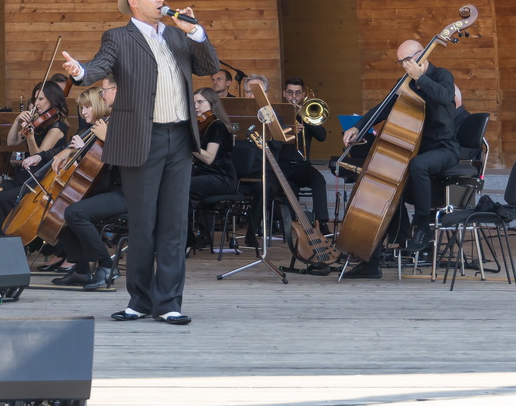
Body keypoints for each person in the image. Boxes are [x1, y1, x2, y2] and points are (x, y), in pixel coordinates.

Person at [62, 0, 218, 325]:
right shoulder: (118, 37)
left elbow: (208, 66)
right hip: (140, 139)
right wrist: (78, 72)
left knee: (174, 223)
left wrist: (194, 31)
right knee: (143, 221)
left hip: (178, 138)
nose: (160, 0)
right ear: (133, 2)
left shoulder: (179, 37)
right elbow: (97, 67)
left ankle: (169, 303)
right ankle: (139, 300)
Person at [341, 39, 459, 277]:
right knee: (387, 193)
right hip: (416, 149)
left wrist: (421, 78)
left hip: (444, 148)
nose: (405, 65)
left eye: (408, 59)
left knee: (418, 165)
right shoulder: (405, 82)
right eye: (401, 61)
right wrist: (358, 127)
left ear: (423, 54)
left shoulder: (441, 75)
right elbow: (384, 107)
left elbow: (446, 98)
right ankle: (371, 261)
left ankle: (422, 226)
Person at [49, 81, 126, 290]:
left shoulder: (119, 126)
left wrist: (104, 140)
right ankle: (82, 269)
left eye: (104, 93)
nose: (83, 112)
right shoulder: (99, 127)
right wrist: (71, 152)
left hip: (125, 192)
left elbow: (123, 162)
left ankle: (107, 265)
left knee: (75, 212)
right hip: (106, 188)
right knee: (63, 206)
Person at [0, 81, 70, 238]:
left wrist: (30, 137)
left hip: (39, 181)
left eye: (41, 99)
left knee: (5, 199)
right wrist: (17, 121)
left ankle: (5, 245)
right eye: (35, 99)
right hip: (24, 178)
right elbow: (11, 142)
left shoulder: (57, 127)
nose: (35, 103)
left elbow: (38, 159)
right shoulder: (40, 122)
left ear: (52, 99)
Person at [243, 75, 331, 237]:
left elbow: (322, 136)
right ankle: (288, 225)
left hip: (301, 166)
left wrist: (307, 120)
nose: (294, 97)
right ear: (284, 94)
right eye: (290, 93)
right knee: (282, 188)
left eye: (298, 93)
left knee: (319, 180)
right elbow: (273, 142)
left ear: (303, 95)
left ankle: (322, 223)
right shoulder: (277, 113)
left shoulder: (307, 114)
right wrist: (289, 129)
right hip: (280, 165)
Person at [187, 87, 237, 250]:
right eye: (194, 102)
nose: (196, 106)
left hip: (222, 177)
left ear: (212, 103)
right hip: (205, 175)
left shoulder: (217, 125)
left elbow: (209, 158)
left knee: (183, 186)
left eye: (200, 102)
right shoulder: (201, 125)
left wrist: (189, 144)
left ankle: (187, 237)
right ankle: (197, 234)